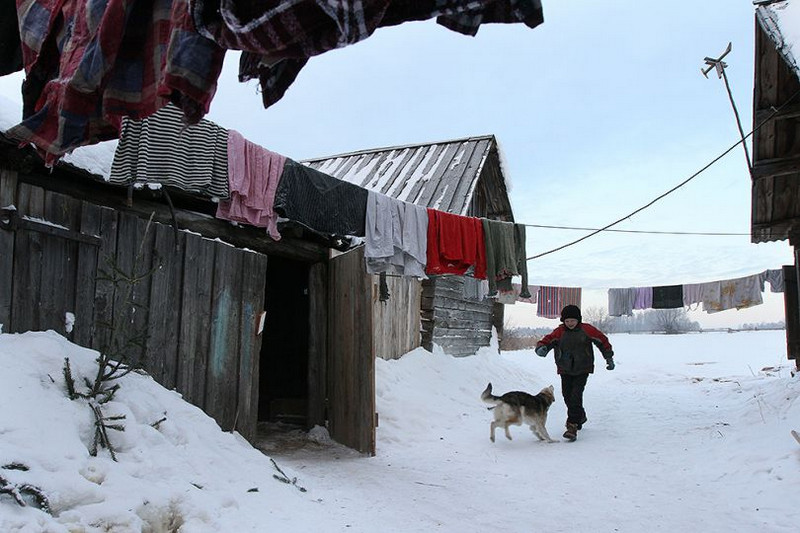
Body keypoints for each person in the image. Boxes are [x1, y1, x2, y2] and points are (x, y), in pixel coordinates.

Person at [535, 305, 614, 441]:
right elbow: (547, 341)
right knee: (567, 396)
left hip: (583, 368)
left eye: (573, 320)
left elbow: (602, 341)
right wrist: (542, 348)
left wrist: (609, 357)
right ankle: (580, 416)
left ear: (578, 320)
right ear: (563, 321)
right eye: (567, 321)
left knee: (575, 396)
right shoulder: (559, 332)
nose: (570, 323)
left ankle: (572, 426)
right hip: (565, 368)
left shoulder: (587, 330)